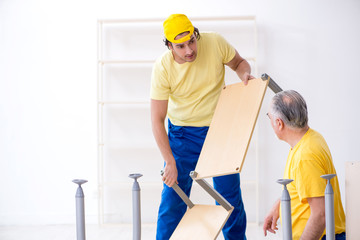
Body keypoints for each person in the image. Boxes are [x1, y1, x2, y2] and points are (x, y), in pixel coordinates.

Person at [150, 14, 254, 240]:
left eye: (192, 41)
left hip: (220, 130)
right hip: (182, 137)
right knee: (172, 200)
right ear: (169, 46)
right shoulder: (162, 67)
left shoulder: (214, 42)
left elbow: (238, 63)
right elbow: (157, 120)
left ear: (196, 34)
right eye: (180, 46)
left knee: (229, 199)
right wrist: (169, 161)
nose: (189, 50)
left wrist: (244, 73)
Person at [263, 90, 346, 240]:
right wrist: (279, 204)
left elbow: (320, 215)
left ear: (279, 123)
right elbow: (304, 187)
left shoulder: (305, 157)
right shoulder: (311, 138)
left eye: (269, 117)